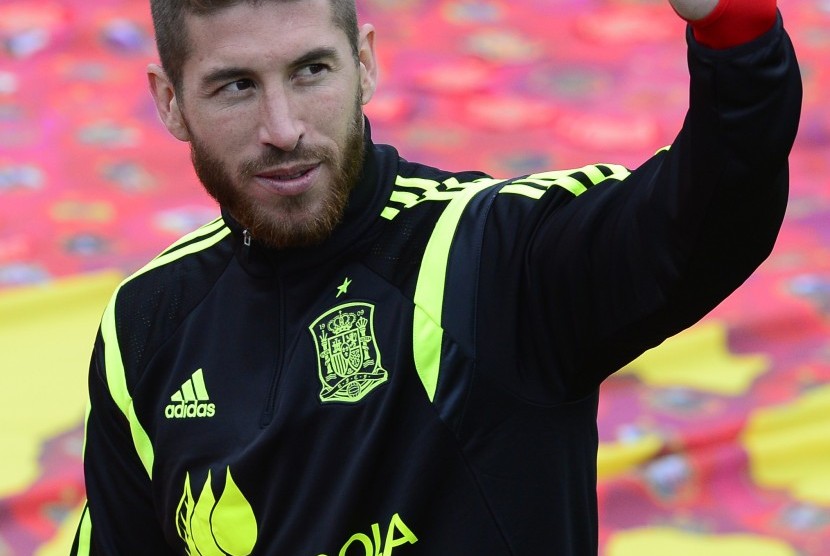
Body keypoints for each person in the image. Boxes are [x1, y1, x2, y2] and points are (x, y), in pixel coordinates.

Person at [70, 0, 801, 553]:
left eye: (311, 71)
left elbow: (714, 207)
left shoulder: (494, 255)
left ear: (366, 62)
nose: (283, 126)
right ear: (170, 102)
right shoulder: (146, 325)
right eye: (235, 87)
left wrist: (730, 21)